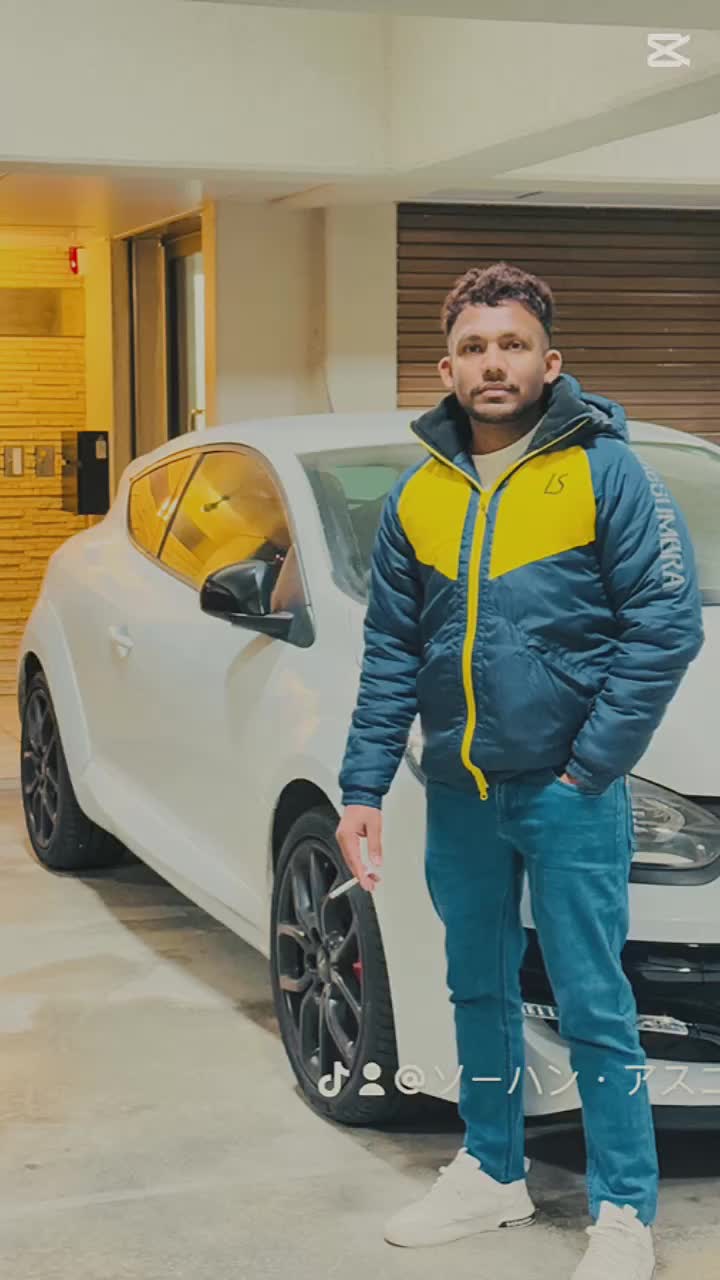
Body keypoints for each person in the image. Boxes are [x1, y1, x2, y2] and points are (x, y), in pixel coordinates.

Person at [335, 261, 704, 1279]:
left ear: (549, 361)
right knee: (476, 985)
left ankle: (622, 1208)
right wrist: (363, 787)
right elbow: (391, 651)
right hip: (458, 788)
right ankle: (493, 1170)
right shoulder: (419, 495)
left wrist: (592, 767)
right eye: (473, 347)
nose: (492, 363)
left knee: (594, 1001)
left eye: (512, 345)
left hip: (566, 791)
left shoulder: (606, 473)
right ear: (446, 368)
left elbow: (664, 627)